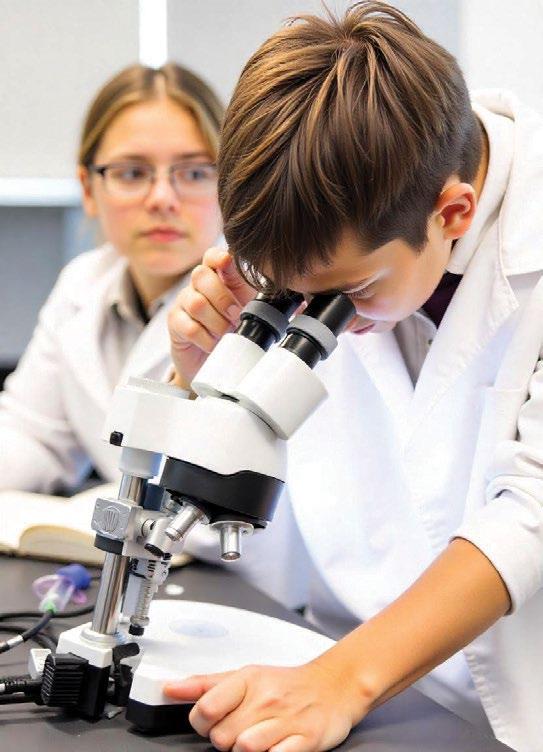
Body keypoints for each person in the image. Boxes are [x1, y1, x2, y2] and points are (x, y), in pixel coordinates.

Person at [163, 4, 543, 752]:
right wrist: (201, 385)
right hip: (352, 669)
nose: (316, 319)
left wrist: (343, 680)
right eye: (287, 291)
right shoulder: (326, 211)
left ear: (453, 212)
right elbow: (253, 533)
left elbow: (530, 510)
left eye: (346, 295)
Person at [0, 63, 223, 493]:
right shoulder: (81, 285)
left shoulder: (260, 300)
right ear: (88, 189)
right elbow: (34, 438)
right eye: (133, 173)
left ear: (228, 185)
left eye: (195, 173)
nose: (162, 198)